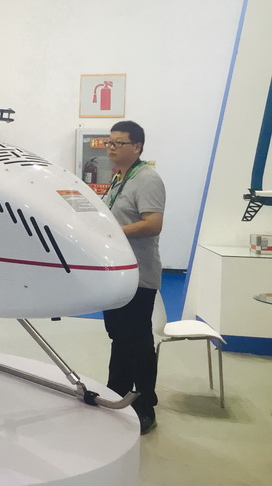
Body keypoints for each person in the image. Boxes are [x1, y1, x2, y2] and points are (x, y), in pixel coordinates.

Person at [101, 120, 165, 435]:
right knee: (120, 336)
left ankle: (144, 406)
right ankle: (117, 392)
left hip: (139, 276)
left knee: (137, 340)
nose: (111, 147)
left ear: (137, 147)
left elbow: (153, 224)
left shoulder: (147, 179)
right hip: (117, 274)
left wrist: (114, 232)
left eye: (119, 142)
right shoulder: (119, 177)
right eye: (109, 142)